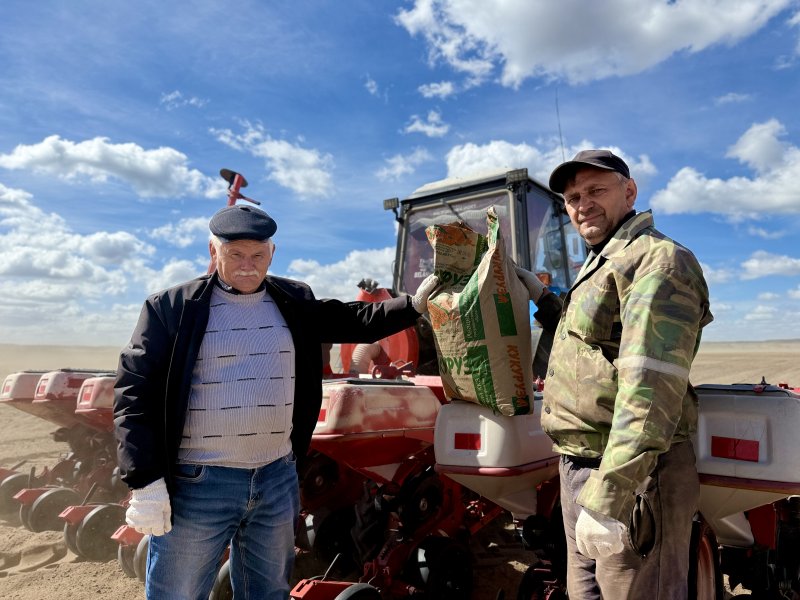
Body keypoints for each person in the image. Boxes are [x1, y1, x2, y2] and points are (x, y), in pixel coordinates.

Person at [113, 204, 439, 600]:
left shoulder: (293, 299)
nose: (248, 266)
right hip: (199, 484)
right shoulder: (171, 309)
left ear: (272, 253)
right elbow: (134, 395)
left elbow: (352, 319)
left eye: (257, 255)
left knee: (267, 593)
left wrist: (414, 305)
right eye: (235, 255)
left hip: (275, 480)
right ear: (213, 251)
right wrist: (144, 481)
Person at [515, 149, 713, 599]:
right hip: (581, 467)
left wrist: (609, 500)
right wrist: (544, 300)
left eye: (595, 190)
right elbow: (589, 340)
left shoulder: (656, 262)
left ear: (629, 191)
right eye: (572, 197)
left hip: (633, 476)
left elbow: (649, 393)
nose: (582, 203)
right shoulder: (601, 262)